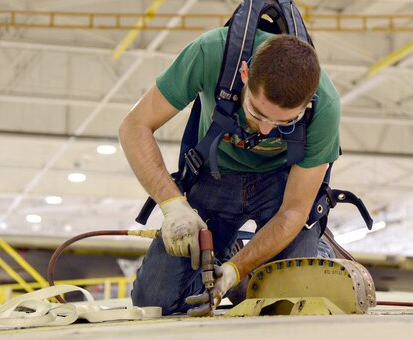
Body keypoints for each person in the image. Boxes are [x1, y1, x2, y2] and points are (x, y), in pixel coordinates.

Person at [119, 26, 340, 315]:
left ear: (308, 102)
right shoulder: (211, 53)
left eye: (285, 122)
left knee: (288, 300)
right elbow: (134, 127)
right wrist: (174, 206)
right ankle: (234, 251)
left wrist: (235, 271)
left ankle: (314, 249)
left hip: (281, 187)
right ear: (245, 75)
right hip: (214, 176)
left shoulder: (326, 106)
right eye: (257, 113)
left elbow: (292, 212)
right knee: (154, 304)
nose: (265, 129)